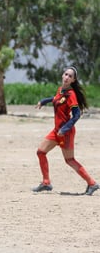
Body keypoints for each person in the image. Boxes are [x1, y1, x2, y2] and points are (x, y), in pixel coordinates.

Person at [33, 66, 99, 195]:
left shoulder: (71, 95)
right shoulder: (61, 90)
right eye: (65, 74)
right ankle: (46, 182)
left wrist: (65, 128)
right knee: (41, 152)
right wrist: (43, 101)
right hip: (56, 131)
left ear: (73, 80)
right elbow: (55, 99)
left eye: (70, 76)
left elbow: (76, 115)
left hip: (66, 132)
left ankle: (92, 183)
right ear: (62, 76)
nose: (67, 77)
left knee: (69, 160)